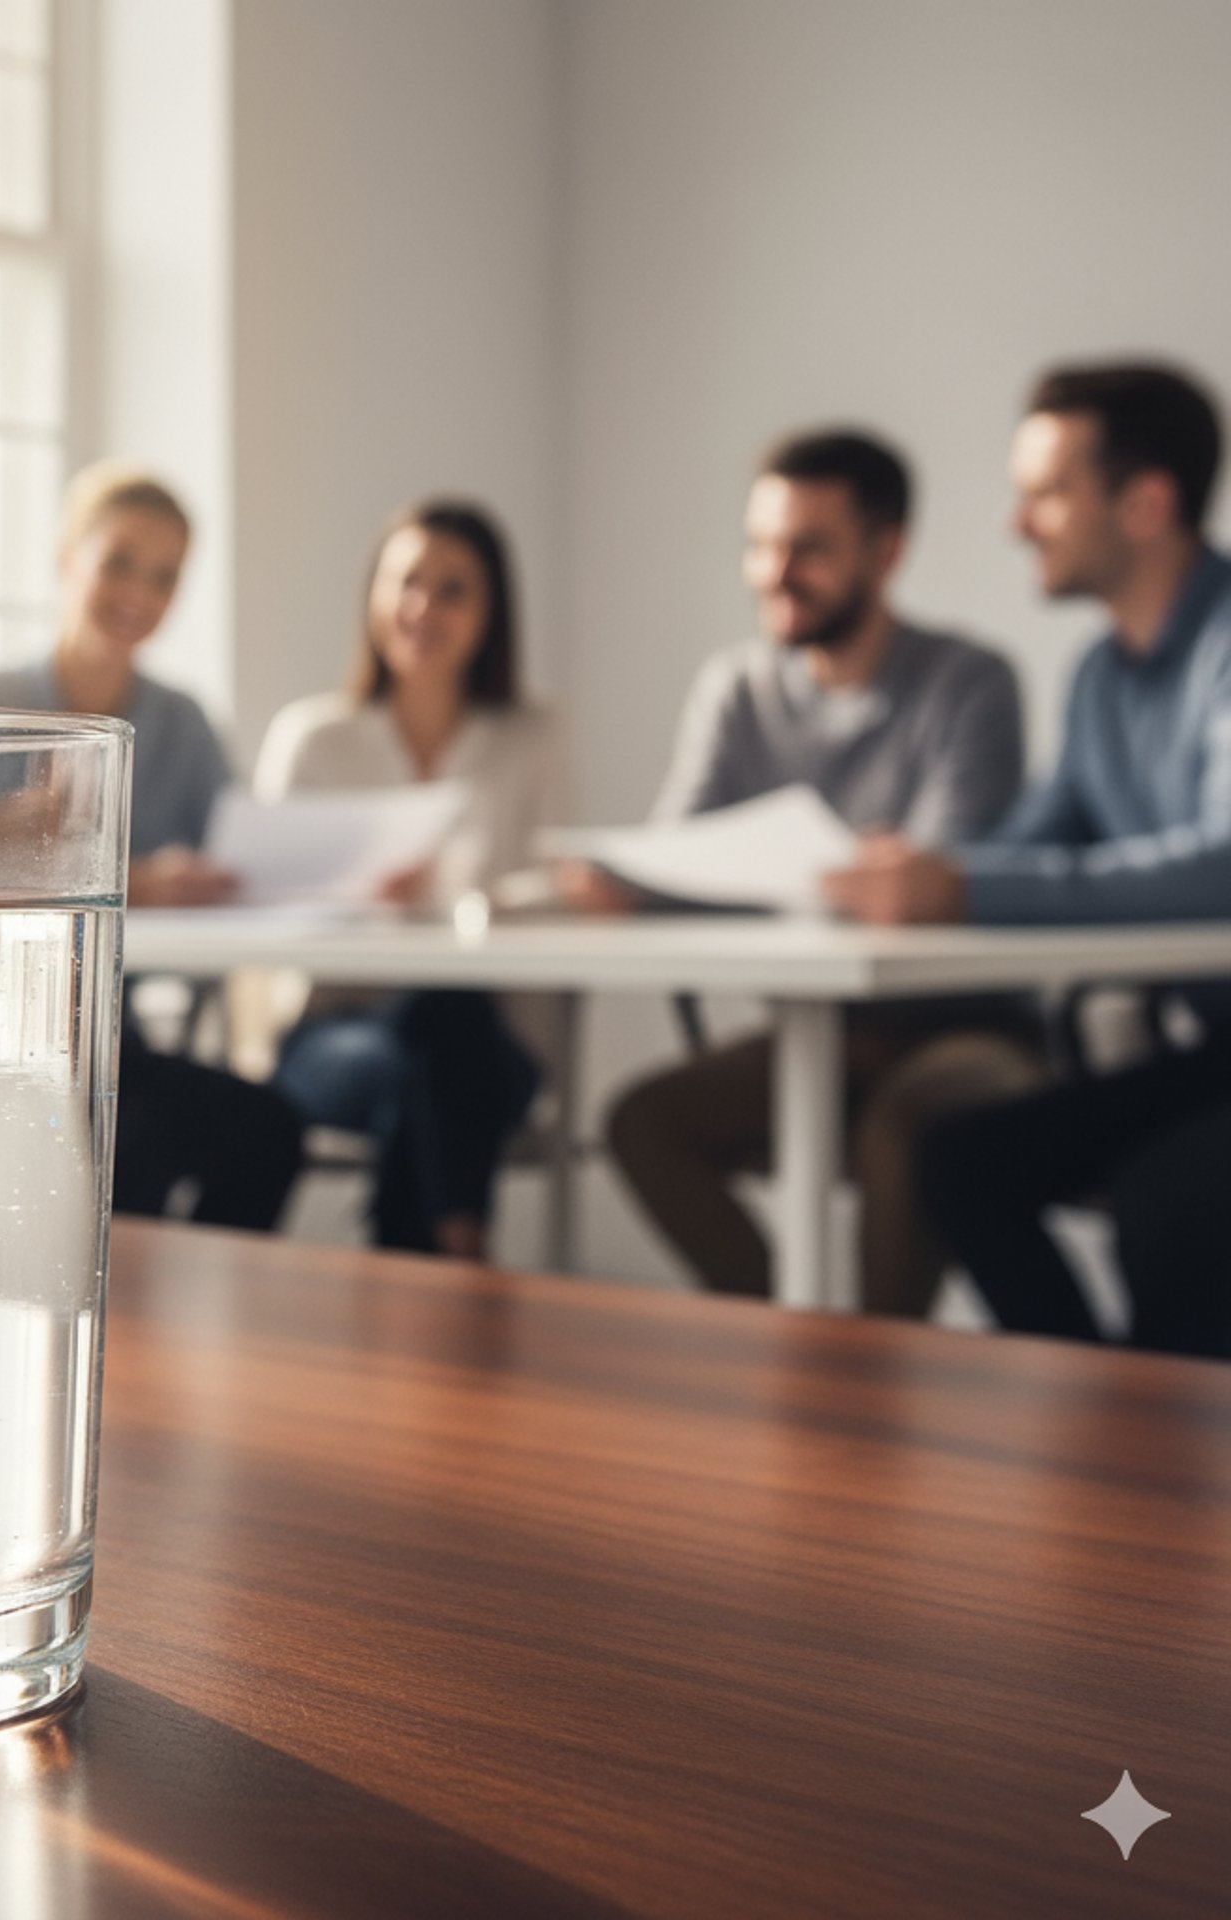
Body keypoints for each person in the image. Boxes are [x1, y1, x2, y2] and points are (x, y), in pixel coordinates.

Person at [822, 363, 1231, 1357]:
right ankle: (1114, 1427)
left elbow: (1223, 872)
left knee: (1164, 1206)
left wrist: (964, 887)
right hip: (1211, 1058)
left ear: (1147, 502)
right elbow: (1019, 848)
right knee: (958, 1161)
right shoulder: (1100, 680)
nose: (1018, 523)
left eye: (1047, 492)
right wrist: (899, 876)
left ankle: (1161, 1464)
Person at [584, 430, 1038, 1316]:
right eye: (760, 546)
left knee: (900, 1127)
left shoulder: (969, 683)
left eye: (809, 549)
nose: (773, 572)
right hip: (814, 1030)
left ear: (887, 550)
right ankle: (799, 1352)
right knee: (643, 1121)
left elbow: (932, 888)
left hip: (962, 1030)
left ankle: (874, 1389)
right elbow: (676, 859)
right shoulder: (737, 687)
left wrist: (757, 879)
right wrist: (628, 880)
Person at [0, 463, 305, 1232]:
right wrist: (133, 879)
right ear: (66, 557)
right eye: (118, 563)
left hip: (111, 1032)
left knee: (268, 1131)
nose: (138, 595)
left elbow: (235, 857)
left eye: (164, 577)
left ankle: (174, 1324)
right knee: (133, 1144)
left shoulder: (181, 721)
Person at [255, 500, 561, 1258]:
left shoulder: (532, 739)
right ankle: (460, 1264)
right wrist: (350, 897)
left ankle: (411, 1295)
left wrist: (471, 901)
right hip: (334, 1035)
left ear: (492, 612)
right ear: (374, 598)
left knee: (447, 1021)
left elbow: (551, 888)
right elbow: (257, 899)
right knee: (423, 1068)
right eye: (406, 583)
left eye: (453, 590)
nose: (423, 608)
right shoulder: (313, 740)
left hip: (490, 1037)